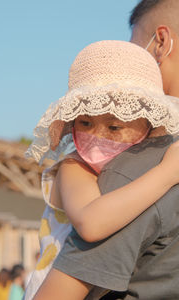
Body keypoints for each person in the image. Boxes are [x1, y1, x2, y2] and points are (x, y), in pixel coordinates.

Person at [30, 1, 179, 299]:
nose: (96, 138)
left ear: (147, 122)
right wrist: (166, 173)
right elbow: (91, 222)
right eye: (84, 122)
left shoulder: (137, 161)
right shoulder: (74, 166)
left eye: (114, 127)